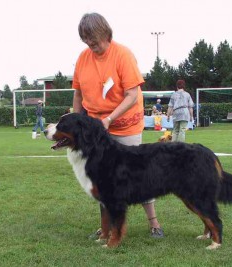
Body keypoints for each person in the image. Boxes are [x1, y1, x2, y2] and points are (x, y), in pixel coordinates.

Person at [72, 13, 163, 239]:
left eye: (93, 38)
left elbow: (132, 95)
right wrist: (77, 121)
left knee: (138, 177)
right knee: (101, 177)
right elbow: (78, 93)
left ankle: (153, 222)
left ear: (105, 33)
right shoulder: (83, 58)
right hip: (97, 129)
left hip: (124, 125)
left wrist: (110, 119)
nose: (90, 44)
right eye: (85, 39)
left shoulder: (123, 55)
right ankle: (107, 227)